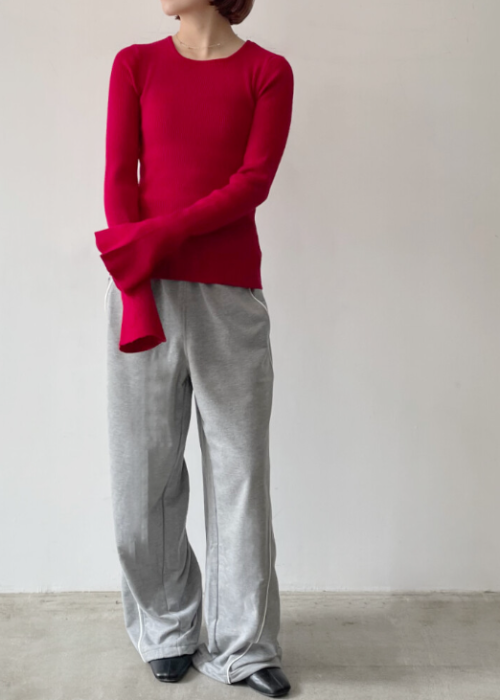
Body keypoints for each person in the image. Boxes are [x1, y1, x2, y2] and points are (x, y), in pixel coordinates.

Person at [96, 0, 294, 696]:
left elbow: (252, 183)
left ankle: (245, 646)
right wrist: (136, 281)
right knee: (141, 475)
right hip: (141, 286)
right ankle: (167, 629)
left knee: (240, 474)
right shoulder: (135, 65)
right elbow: (119, 179)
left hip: (229, 298)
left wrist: (160, 235)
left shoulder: (267, 72)